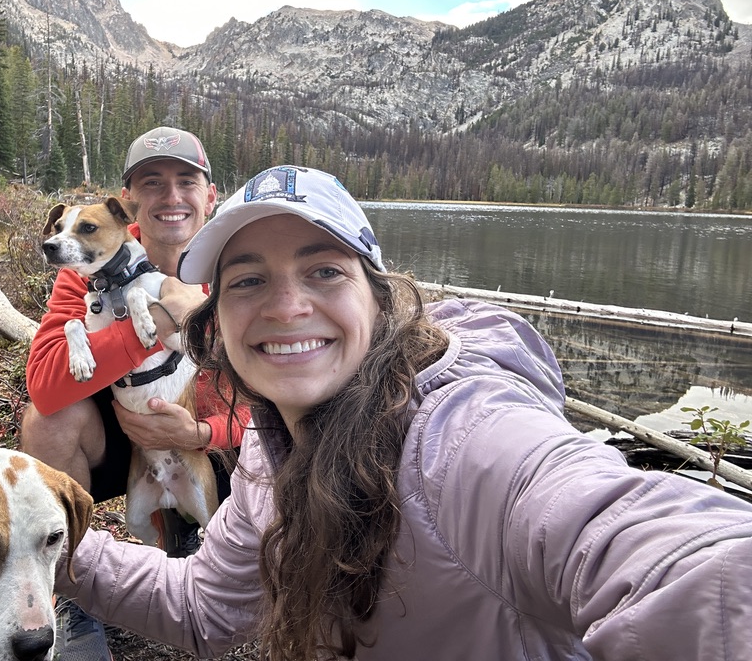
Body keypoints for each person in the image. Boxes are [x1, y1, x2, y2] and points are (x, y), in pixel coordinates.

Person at [57, 164, 752, 661]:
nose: (286, 305)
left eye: (325, 270)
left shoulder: (465, 436)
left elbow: (676, 559)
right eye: (247, 281)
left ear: (380, 299)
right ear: (218, 323)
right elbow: (203, 609)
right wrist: (37, 533)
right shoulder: (274, 451)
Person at [21, 127, 248, 657]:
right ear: (129, 204)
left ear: (210, 196)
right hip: (125, 438)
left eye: (186, 181)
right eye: (152, 183)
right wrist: (161, 318)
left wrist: (202, 431)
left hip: (217, 438)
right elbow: (46, 384)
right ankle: (73, 590)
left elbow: (280, 396)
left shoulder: (240, 269)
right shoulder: (92, 260)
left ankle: (211, 543)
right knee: (46, 421)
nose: (171, 197)